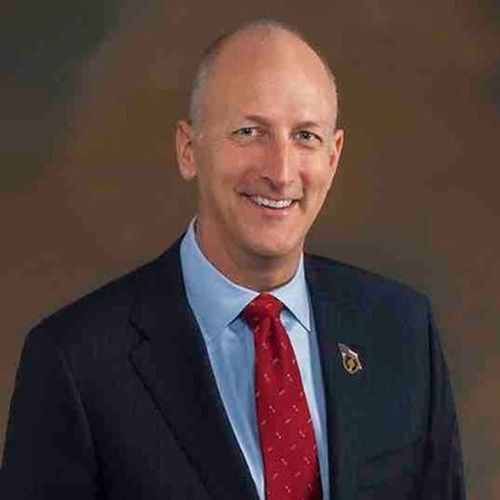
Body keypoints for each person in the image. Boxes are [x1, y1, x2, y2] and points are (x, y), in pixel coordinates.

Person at [0, 19, 465, 500]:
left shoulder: (402, 331)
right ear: (188, 150)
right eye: (249, 132)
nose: (280, 172)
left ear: (333, 157)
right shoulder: (75, 362)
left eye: (305, 136)